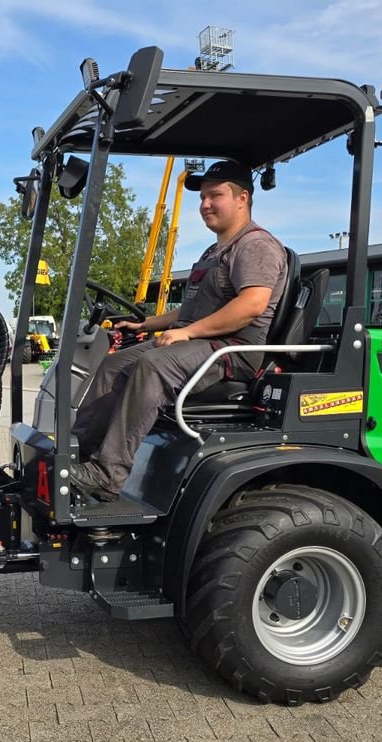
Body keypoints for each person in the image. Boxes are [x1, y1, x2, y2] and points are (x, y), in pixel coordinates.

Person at [69, 158, 289, 501]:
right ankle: (77, 455)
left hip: (230, 351)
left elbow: (252, 305)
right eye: (202, 197)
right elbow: (187, 312)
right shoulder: (213, 251)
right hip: (199, 343)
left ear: (242, 198)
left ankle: (108, 475)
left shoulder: (255, 245)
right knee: (114, 366)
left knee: (152, 366)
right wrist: (145, 323)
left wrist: (188, 333)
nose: (204, 205)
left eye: (215, 196)